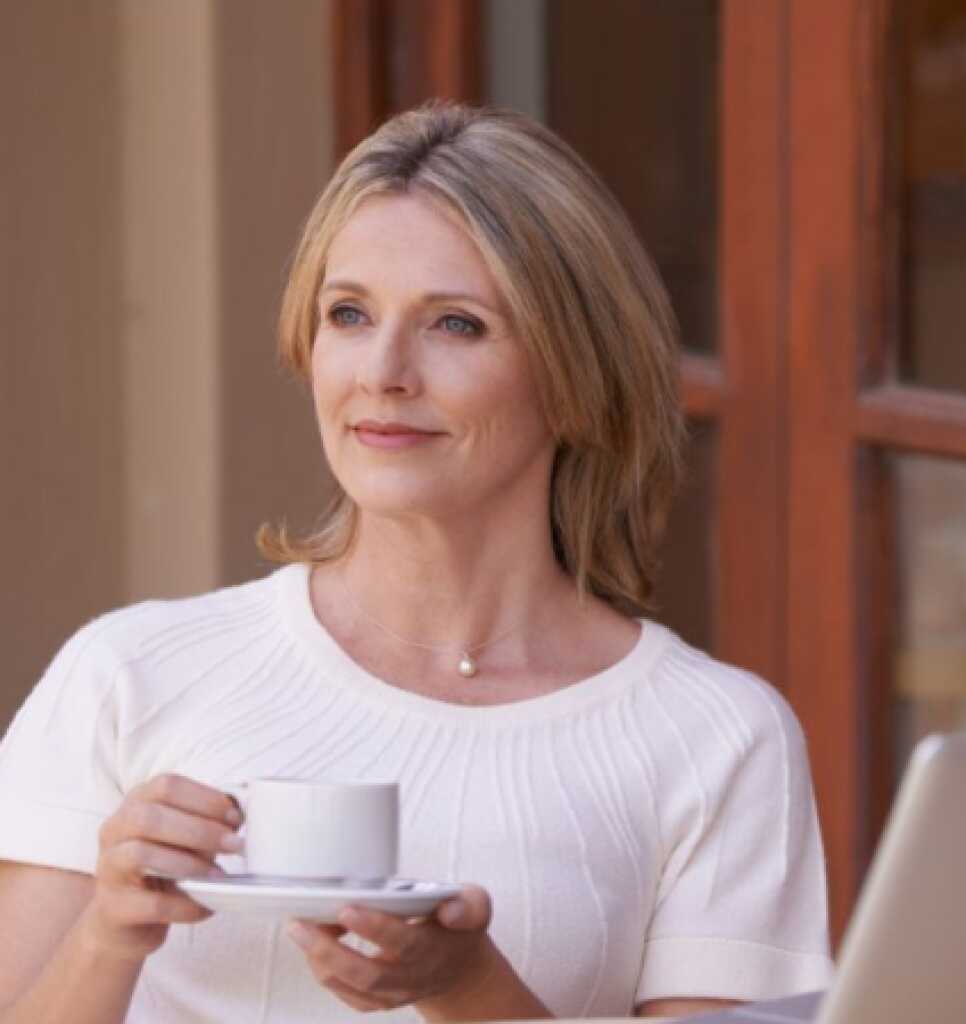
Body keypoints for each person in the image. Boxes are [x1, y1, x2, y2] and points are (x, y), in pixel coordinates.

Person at [0, 102, 833, 1022]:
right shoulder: (130, 674)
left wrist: (467, 990)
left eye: (457, 325)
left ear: (574, 373)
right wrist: (108, 932)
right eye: (349, 314)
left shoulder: (717, 739)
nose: (383, 372)